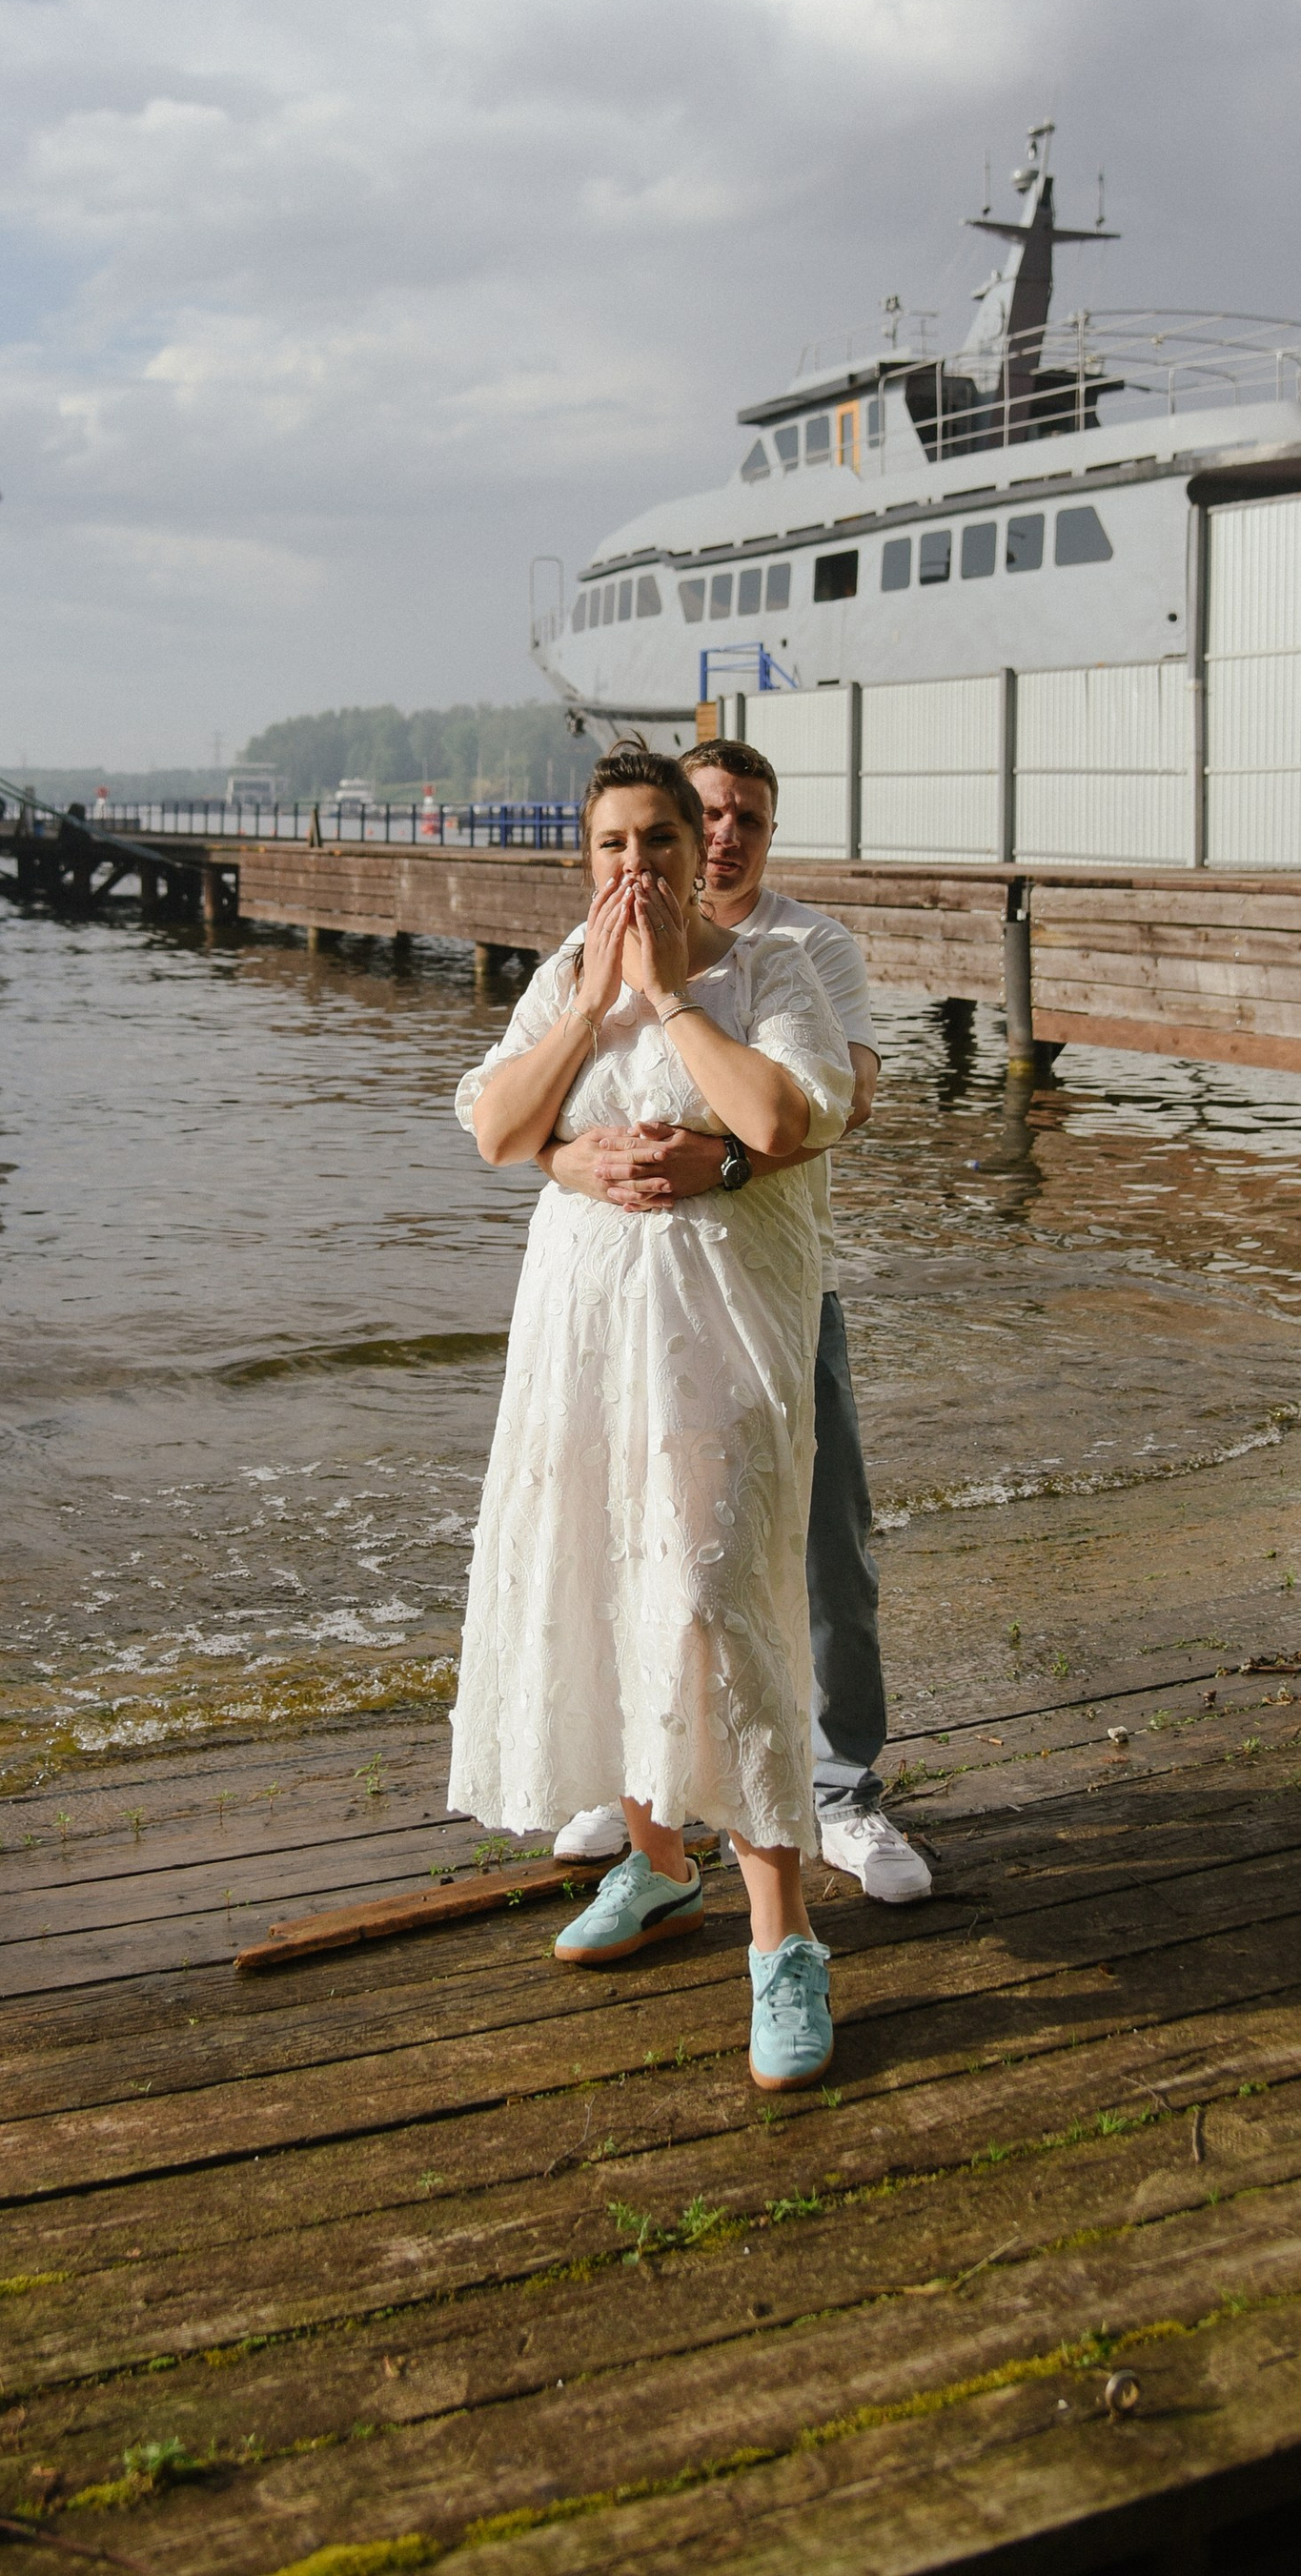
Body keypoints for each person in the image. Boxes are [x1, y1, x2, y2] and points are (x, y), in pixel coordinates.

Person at [451, 741, 855, 2091]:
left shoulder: (770, 970)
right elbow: (499, 1126)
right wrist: (585, 1037)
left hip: (721, 1340)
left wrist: (670, 1001)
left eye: (661, 845)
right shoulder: (567, 971)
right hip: (583, 1336)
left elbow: (786, 1109)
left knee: (710, 1600)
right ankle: (656, 1859)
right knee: (602, 1584)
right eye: (614, 846)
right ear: (590, 858)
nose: (638, 868)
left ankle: (783, 1939)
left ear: (701, 853)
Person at [538, 736, 929, 1903]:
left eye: (743, 819)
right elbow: (524, 1119)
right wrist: (572, 1158)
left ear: (766, 831)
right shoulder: (594, 947)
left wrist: (720, 1162)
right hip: (633, 1307)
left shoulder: (803, 948)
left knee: (819, 1540)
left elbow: (839, 1103)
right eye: (700, 814)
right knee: (642, 1538)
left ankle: (842, 1787)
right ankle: (646, 1780)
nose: (719, 837)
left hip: (772, 1288)